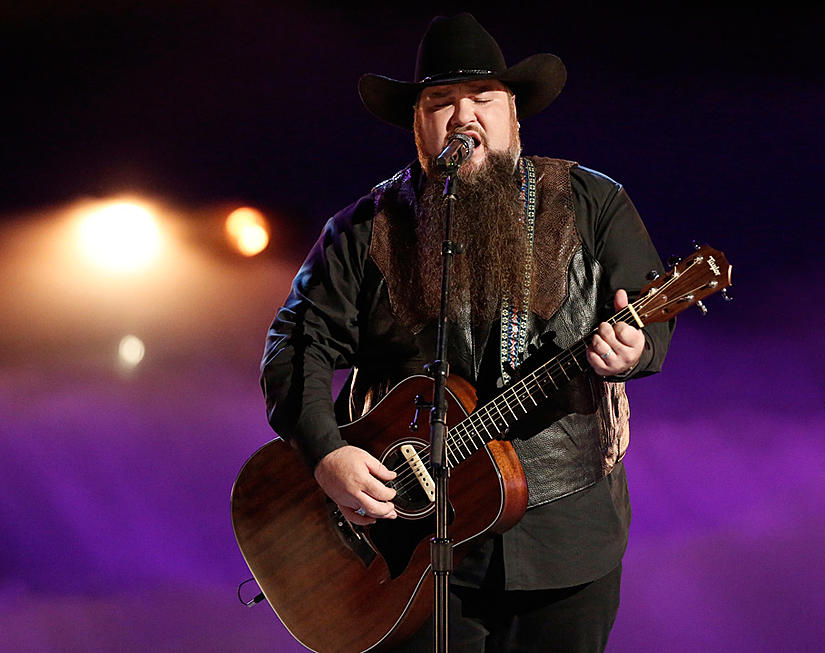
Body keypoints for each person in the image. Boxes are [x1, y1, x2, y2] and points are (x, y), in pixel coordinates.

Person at [260, 12, 673, 653]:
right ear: (417, 124)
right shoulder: (364, 229)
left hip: (565, 539)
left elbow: (651, 319)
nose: (464, 117)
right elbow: (296, 346)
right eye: (441, 102)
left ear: (514, 115)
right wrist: (327, 455)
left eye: (483, 97)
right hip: (407, 548)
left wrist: (636, 351)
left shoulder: (594, 203)